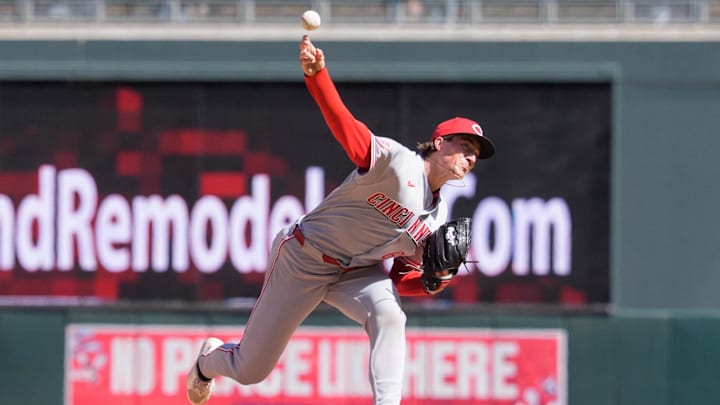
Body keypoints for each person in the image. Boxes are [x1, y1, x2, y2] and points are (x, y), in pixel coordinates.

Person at [186, 35, 495, 405]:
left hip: (356, 270)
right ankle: (207, 363)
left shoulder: (437, 216)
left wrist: (433, 283)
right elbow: (349, 132)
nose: (472, 156)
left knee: (390, 315)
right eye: (466, 145)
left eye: (477, 153)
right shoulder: (398, 163)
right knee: (251, 369)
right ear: (440, 142)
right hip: (305, 256)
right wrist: (319, 78)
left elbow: (400, 278)